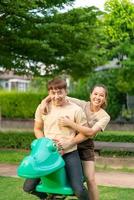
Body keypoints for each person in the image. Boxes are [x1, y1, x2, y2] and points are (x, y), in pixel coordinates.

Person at [23, 78, 89, 200]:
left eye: (60, 92)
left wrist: (69, 142)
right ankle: (49, 197)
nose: (57, 96)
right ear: (49, 93)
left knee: (79, 190)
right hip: (46, 155)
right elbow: (37, 129)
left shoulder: (76, 110)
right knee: (28, 187)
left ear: (66, 91)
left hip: (69, 153)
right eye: (53, 93)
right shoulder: (43, 107)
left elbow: (84, 133)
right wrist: (45, 145)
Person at [41, 84, 110, 200]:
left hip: (85, 145)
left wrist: (70, 123)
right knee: (56, 171)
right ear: (91, 95)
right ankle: (53, 195)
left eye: (101, 95)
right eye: (95, 94)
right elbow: (59, 95)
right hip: (68, 140)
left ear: (104, 98)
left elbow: (91, 133)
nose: (98, 97)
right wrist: (44, 101)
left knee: (90, 179)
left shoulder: (104, 116)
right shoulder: (81, 104)